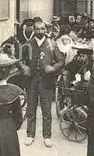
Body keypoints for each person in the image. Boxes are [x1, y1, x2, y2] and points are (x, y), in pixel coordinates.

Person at [21, 18, 65, 148]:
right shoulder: (28, 45)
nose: (40, 31)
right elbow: (20, 61)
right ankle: (30, 135)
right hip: (31, 81)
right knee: (31, 108)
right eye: (37, 29)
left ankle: (47, 136)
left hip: (46, 82)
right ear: (33, 30)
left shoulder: (52, 45)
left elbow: (61, 61)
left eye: (42, 28)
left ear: (46, 30)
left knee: (46, 109)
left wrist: (53, 68)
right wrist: (25, 68)